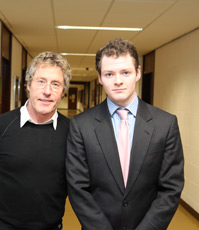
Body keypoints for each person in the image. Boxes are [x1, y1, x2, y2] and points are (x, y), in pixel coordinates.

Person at [66, 38, 184, 230]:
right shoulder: (81, 126)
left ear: (137, 73)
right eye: (109, 74)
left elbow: (171, 189)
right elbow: (78, 188)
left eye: (125, 72)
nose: (118, 81)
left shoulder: (166, 124)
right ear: (100, 77)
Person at [0, 51, 72, 230]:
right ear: (28, 84)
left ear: (62, 91)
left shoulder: (73, 133)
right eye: (41, 81)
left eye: (55, 84)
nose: (47, 91)